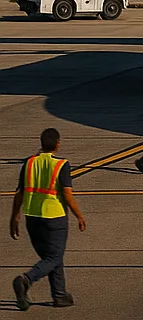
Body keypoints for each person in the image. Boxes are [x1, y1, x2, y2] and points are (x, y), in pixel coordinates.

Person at [10, 127, 86, 311]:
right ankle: (25, 280)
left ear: (41, 143)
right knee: (54, 255)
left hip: (32, 217)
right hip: (54, 217)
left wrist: (14, 217)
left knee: (52, 256)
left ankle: (59, 295)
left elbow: (19, 193)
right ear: (58, 144)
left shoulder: (29, 163)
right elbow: (67, 194)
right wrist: (79, 215)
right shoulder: (61, 164)